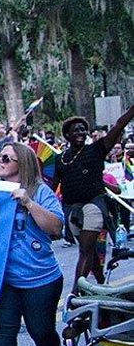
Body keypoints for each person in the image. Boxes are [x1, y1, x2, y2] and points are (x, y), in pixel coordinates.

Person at [0, 143, 65, 346]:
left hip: (41, 278)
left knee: (40, 331)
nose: (1, 161)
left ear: (24, 163)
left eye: (7, 157)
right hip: (5, 279)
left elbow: (55, 227)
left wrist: (28, 202)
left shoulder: (40, 191)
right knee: (3, 332)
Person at [53, 104, 134, 292]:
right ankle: (101, 285)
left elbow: (119, 125)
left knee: (85, 251)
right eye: (76, 130)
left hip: (94, 206)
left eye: (83, 129)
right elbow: (53, 187)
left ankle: (75, 294)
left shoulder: (97, 149)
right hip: (73, 210)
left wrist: (131, 111)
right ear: (67, 135)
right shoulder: (61, 159)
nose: (81, 132)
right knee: (91, 254)